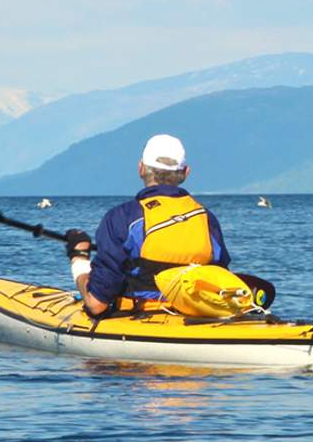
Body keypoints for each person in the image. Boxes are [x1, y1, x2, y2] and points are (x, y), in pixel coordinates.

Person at [62, 133, 229, 316]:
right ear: (186, 172)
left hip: (141, 316)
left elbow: (96, 304)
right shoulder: (207, 219)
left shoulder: (122, 218)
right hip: (197, 315)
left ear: (141, 168)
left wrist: (79, 257)